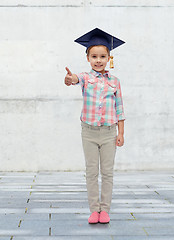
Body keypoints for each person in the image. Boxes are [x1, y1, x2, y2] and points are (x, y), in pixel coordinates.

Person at [64, 28, 125, 224]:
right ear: (88, 58)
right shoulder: (85, 78)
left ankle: (104, 210)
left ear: (109, 57)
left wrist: (120, 133)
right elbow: (74, 80)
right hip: (89, 132)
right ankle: (94, 210)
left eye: (102, 56)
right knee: (91, 171)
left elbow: (120, 109)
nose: (98, 60)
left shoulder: (115, 82)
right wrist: (69, 79)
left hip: (109, 132)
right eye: (94, 56)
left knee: (107, 172)